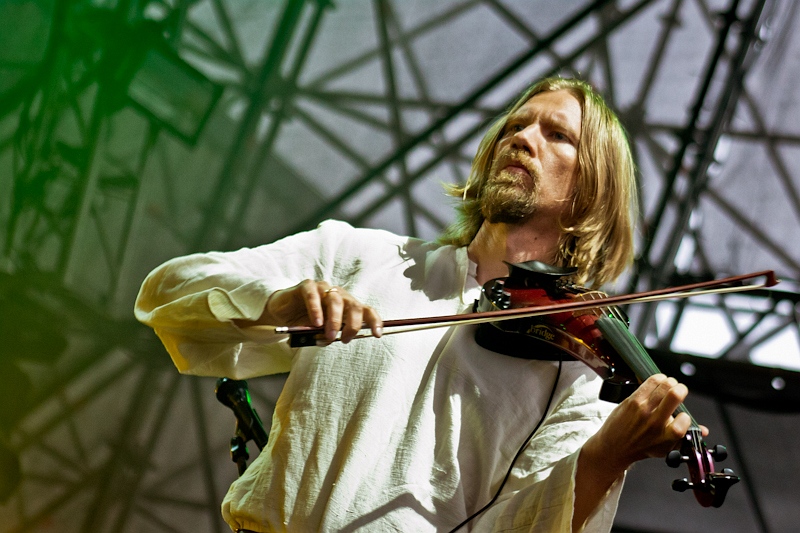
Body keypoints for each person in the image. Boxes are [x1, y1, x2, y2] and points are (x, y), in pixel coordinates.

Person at [135, 77, 699, 532]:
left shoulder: (581, 374)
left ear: (591, 189)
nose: (522, 138)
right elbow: (164, 295)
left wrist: (606, 458)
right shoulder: (359, 255)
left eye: (557, 135)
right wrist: (276, 303)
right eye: (517, 125)